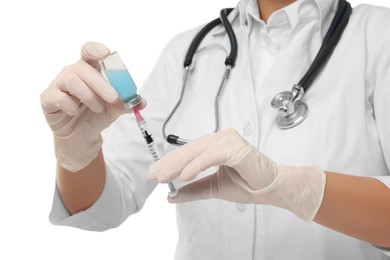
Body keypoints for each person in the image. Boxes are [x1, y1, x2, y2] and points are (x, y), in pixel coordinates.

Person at [40, 0, 390, 259]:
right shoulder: (187, 53)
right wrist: (77, 152)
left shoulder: (378, 36)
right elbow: (104, 207)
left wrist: (289, 187)